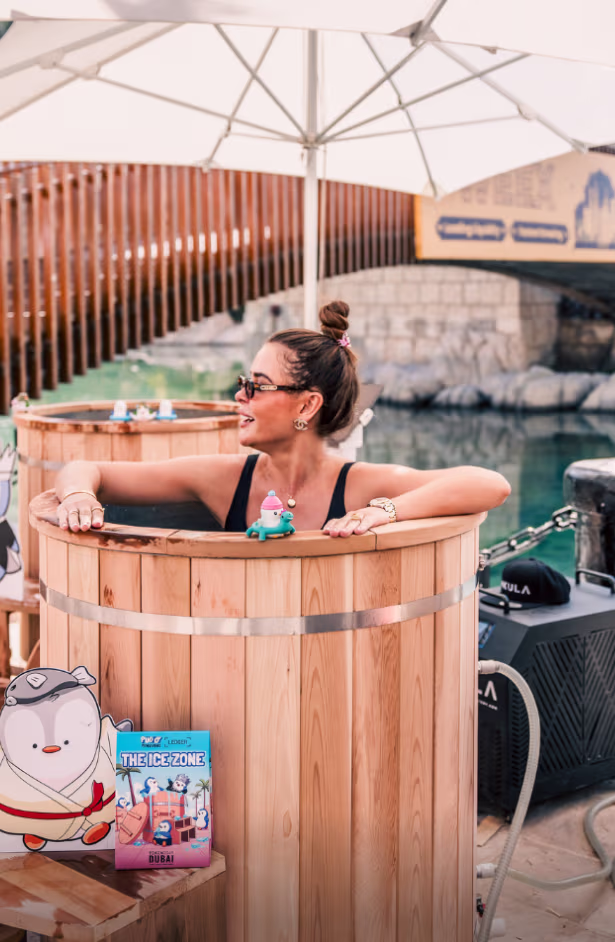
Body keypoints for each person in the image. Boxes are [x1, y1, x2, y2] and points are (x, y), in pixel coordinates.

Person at [55, 301, 511, 536]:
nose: (240, 395)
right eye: (243, 381)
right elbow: (85, 469)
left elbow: (489, 483)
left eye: (256, 385)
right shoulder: (221, 476)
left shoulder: (357, 486)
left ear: (307, 405)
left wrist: (384, 511)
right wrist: (78, 494)